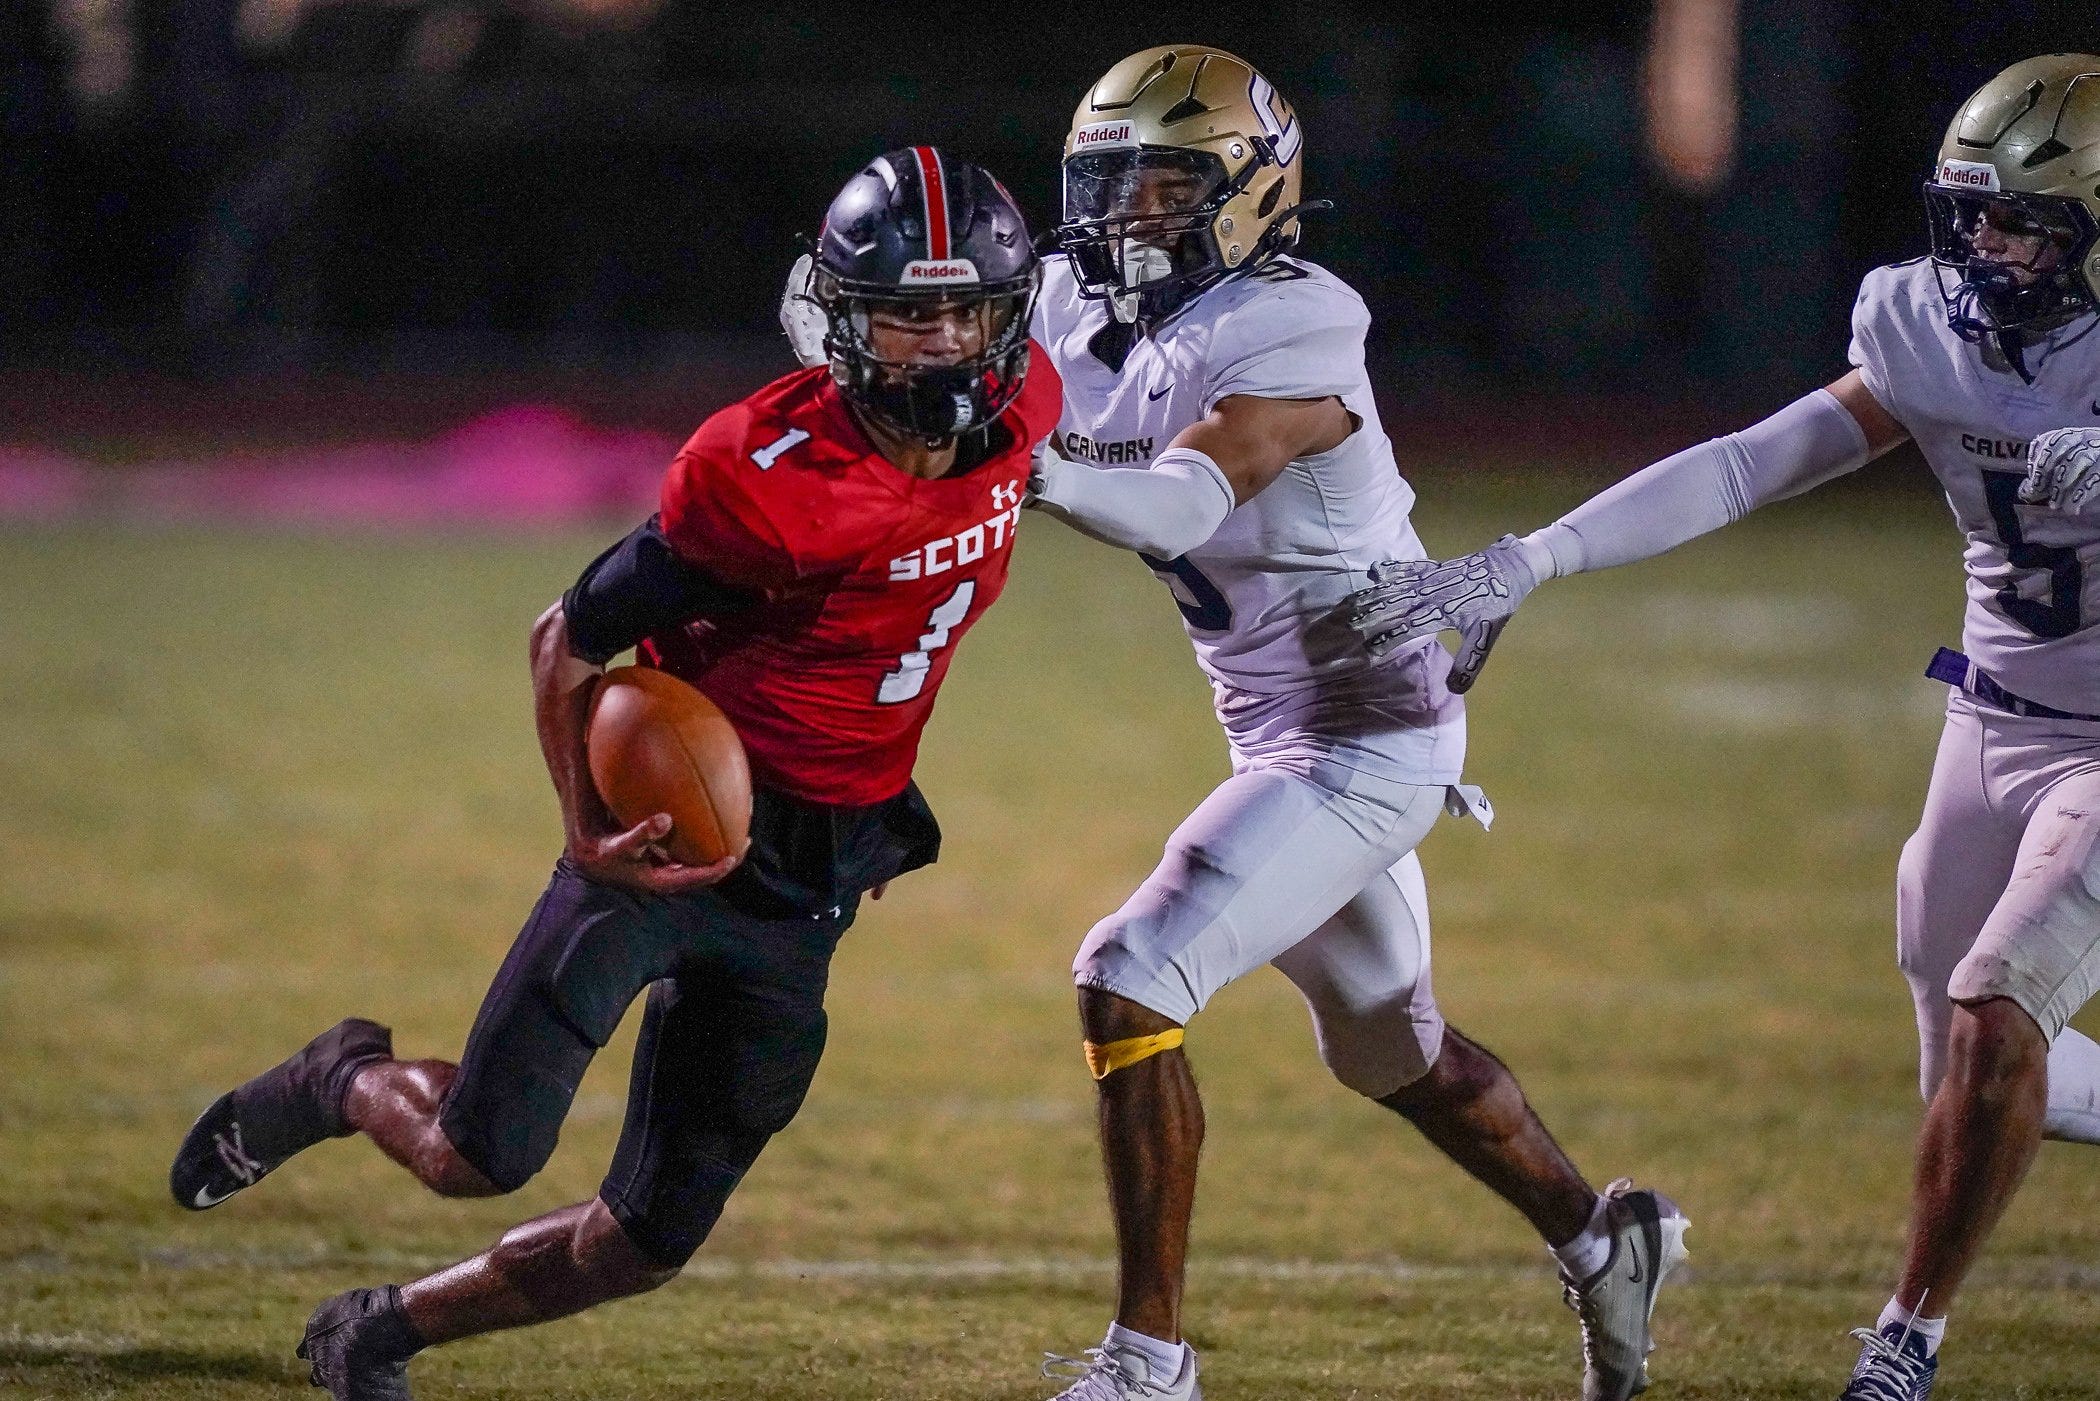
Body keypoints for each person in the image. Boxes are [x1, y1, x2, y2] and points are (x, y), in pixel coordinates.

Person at [168, 146, 1057, 1399]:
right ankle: (340, 1075)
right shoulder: (766, 485)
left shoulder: (1034, 410)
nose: (948, 344)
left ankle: (381, 1329)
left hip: (812, 880)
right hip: (666, 841)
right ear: (846, 325)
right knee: (481, 1153)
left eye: (968, 311)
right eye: (910, 317)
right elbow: (566, 637)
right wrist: (588, 823)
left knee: (647, 1239)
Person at [1349, 53, 2100, 1401]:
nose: (1989, 248)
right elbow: (1755, 461)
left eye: (2029, 223)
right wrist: (1537, 555)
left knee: (1997, 1015)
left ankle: (1902, 1345)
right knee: (1979, 1075)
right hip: (1992, 717)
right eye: (1974, 215)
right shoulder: (1928, 325)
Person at [1021, 45, 1687, 1401]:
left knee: (1132, 972)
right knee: (1397, 1047)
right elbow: (986, 323)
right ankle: (1604, 1238)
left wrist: (1012, 459)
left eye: (1162, 185)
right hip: (1279, 729)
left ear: (1254, 194)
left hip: (1372, 734)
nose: (1125, 218)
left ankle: (1148, 1364)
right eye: (1108, 185)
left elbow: (1180, 504)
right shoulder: (1086, 311)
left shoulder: (1296, 323)